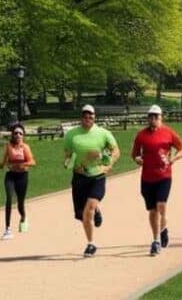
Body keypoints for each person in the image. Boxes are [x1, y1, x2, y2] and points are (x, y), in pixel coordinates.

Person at [63, 104, 120, 257]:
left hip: (97, 177)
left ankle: (91, 244)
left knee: (88, 210)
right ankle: (96, 211)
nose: (88, 119)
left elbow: (116, 151)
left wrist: (108, 165)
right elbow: (67, 157)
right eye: (85, 116)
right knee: (81, 215)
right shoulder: (72, 135)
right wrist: (72, 166)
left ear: (94, 117)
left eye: (91, 116)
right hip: (79, 178)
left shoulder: (103, 133)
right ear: (81, 117)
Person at [131, 105, 182, 256]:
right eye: (151, 116)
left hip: (164, 176)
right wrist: (137, 159)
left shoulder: (168, 133)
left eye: (156, 117)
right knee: (152, 210)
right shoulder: (141, 135)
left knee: (161, 205)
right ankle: (161, 230)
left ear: (161, 118)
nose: (153, 119)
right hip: (147, 177)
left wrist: (175, 157)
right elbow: (135, 153)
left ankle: (155, 242)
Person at [0, 124, 35, 239]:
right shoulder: (9, 146)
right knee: (9, 198)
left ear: (23, 136)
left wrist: (22, 164)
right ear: (12, 135)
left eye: (20, 133)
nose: (18, 135)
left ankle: (24, 216)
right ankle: (7, 229)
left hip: (22, 176)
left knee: (20, 203)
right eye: (16, 133)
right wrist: (2, 164)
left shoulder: (25, 147)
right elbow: (4, 161)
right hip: (11, 176)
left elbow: (32, 162)